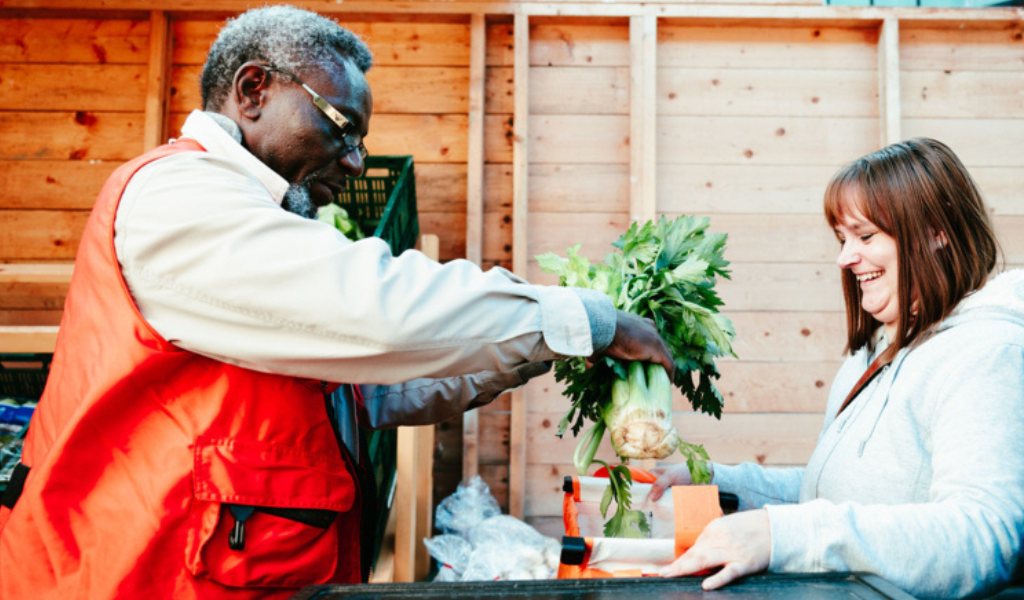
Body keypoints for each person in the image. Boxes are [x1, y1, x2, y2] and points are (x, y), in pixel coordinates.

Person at [0, 6, 675, 599]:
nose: (353, 162)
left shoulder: (257, 237)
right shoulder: (177, 197)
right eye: (340, 126)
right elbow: (378, 310)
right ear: (253, 89)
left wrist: (534, 351)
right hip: (123, 579)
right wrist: (587, 318)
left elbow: (364, 393)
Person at [648, 138, 1024, 599]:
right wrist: (714, 481)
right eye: (842, 239)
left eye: (865, 237)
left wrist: (784, 535)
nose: (845, 258)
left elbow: (985, 537)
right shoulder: (871, 354)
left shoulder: (986, 352)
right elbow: (831, 498)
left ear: (934, 231)